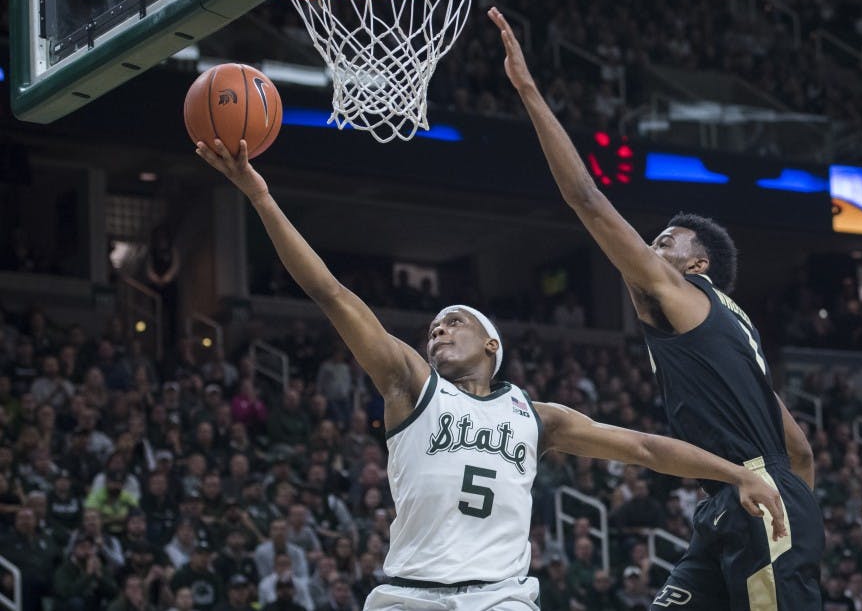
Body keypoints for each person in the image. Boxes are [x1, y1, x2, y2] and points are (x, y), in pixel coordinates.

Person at [195, 138, 787, 611]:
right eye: (433, 328)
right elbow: (329, 292)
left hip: (499, 598)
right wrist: (261, 197)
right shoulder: (410, 386)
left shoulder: (536, 416)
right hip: (409, 594)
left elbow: (641, 446)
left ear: (491, 344)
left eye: (453, 322)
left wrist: (735, 473)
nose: (438, 331)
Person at [488, 6, 823, 610]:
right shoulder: (734, 336)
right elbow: (800, 449)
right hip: (732, 498)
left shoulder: (684, 297)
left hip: (756, 495)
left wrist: (530, 90)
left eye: (666, 243)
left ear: (698, 269)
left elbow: (586, 199)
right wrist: (800, 514)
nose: (650, 247)